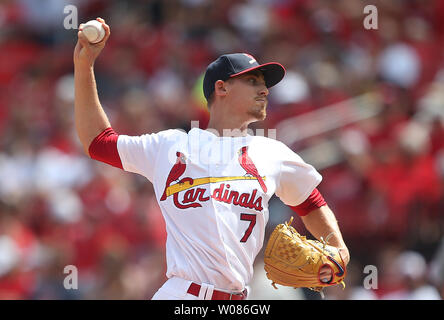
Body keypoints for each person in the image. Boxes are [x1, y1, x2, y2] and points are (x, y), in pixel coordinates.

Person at [73, 18, 350, 300]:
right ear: (222, 88)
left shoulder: (272, 153)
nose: (264, 90)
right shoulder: (171, 145)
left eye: (264, 84)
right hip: (184, 296)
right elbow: (98, 142)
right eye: (252, 81)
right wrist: (85, 67)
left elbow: (310, 202)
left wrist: (338, 247)